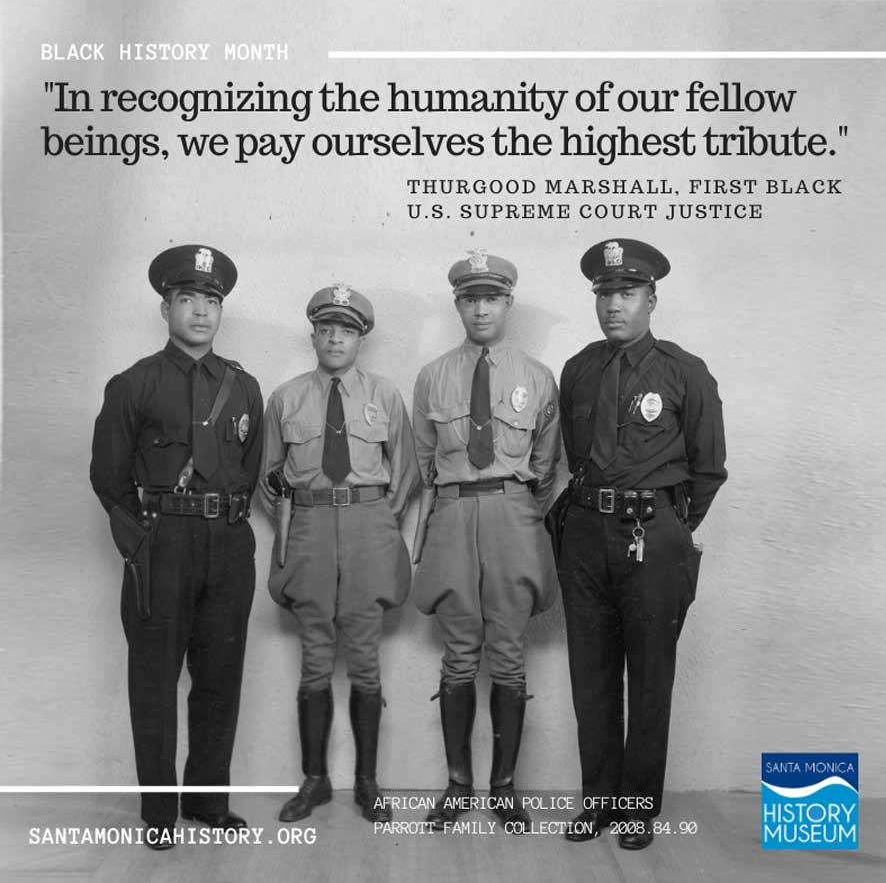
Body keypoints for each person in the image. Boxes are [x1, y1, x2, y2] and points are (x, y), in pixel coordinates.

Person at [90, 244, 263, 850]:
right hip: (162, 544)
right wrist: (141, 545)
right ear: (165, 308)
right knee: (155, 681)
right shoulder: (134, 384)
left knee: (220, 677)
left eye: (211, 300)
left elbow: (249, 467)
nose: (200, 311)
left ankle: (208, 803)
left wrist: (223, 522)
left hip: (229, 544)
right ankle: (160, 814)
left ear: (222, 310)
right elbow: (108, 478)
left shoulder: (244, 387)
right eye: (187, 298)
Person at [556, 238, 727, 850]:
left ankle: (636, 810)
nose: (613, 305)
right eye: (604, 294)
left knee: (650, 677)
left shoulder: (685, 372)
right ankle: (598, 800)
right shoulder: (578, 370)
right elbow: (577, 455)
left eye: (627, 293)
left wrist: (668, 525)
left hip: (652, 537)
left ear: (652, 300)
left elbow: (708, 468)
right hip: (585, 533)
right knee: (592, 675)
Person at [259, 285, 420, 825]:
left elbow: (406, 472)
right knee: (314, 657)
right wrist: (298, 520)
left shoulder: (384, 395)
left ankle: (368, 783)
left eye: (346, 330)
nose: (335, 339)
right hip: (308, 527)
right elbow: (268, 477)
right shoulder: (286, 398)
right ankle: (315, 781)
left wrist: (377, 520)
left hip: (368, 526)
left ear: (360, 340)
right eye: (326, 329)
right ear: (313, 336)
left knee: (366, 658)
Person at [412, 250, 560, 833]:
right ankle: (457, 785)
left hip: (512, 513)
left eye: (492, 298)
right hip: (452, 512)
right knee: (458, 651)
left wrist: (514, 509)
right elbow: (425, 459)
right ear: (458, 305)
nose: (481, 309)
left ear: (508, 303)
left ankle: (504, 788)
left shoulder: (537, 378)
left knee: (508, 651)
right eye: (470, 299)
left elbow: (545, 467)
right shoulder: (432, 377)